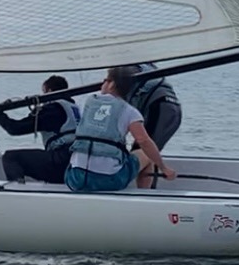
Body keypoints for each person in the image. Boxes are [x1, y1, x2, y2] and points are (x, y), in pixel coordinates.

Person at [65, 66, 177, 194]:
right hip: (109, 181)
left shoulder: (90, 102)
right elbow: (144, 141)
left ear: (112, 84)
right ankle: (144, 196)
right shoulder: (130, 112)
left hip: (74, 178)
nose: (102, 83)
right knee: (145, 154)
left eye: (105, 80)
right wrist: (164, 168)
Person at [0, 76, 81, 184]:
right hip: (76, 162)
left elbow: (14, 128)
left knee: (11, 157)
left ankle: (18, 192)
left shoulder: (52, 110)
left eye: (43, 92)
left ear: (49, 91)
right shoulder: (73, 108)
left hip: (60, 163)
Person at [124, 61, 182, 152]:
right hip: (174, 107)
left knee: (142, 152)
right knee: (150, 153)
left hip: (158, 107)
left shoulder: (123, 71)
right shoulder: (147, 67)